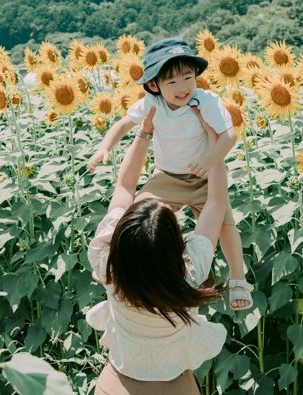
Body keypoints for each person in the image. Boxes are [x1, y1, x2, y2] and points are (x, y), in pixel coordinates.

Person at [88, 38, 253, 310]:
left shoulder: (206, 100)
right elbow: (124, 123)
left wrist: (210, 160)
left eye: (188, 77)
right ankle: (122, 262)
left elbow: (229, 136)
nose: (183, 87)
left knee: (225, 225)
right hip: (167, 176)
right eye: (172, 82)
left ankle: (238, 277)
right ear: (155, 85)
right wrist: (104, 146)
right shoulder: (152, 104)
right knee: (139, 217)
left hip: (204, 177)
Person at [88, 104, 227, 394]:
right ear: (175, 243)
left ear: (122, 237)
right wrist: (215, 143)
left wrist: (144, 132)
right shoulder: (189, 272)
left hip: (117, 386)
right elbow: (215, 204)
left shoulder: (106, 262)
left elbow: (125, 187)